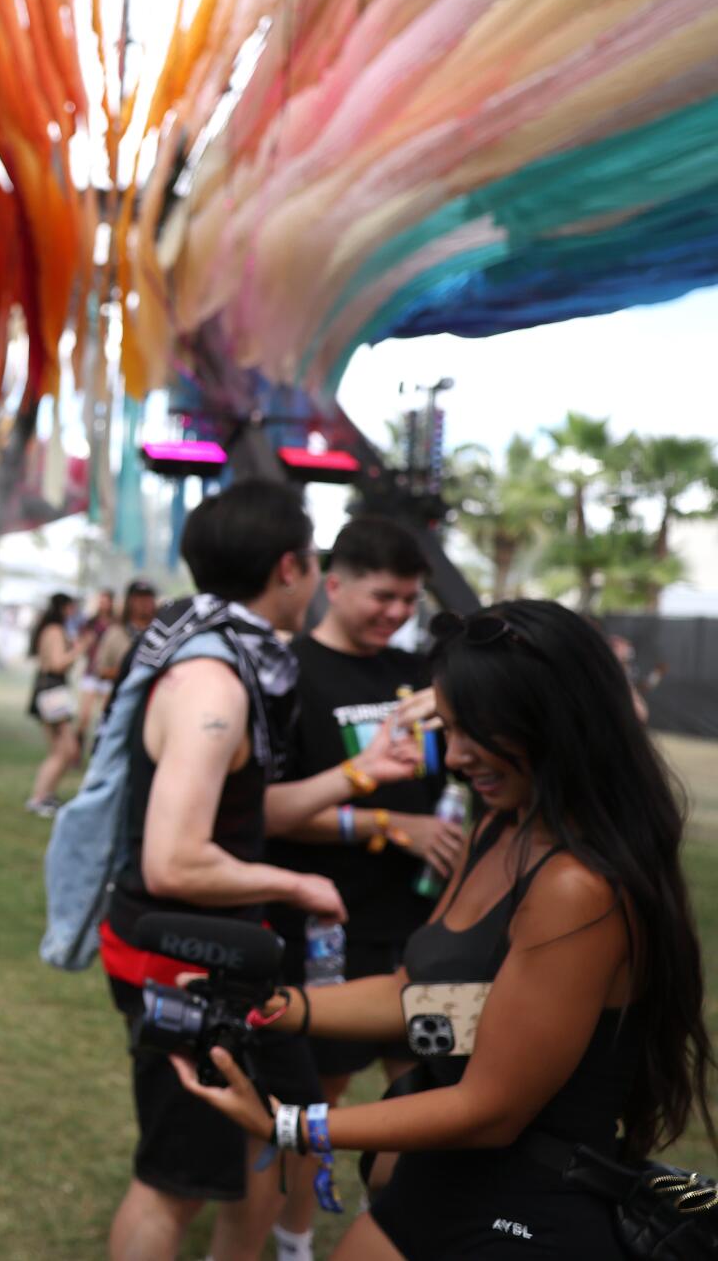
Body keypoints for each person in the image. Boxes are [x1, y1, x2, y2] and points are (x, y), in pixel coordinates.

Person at [179, 600, 715, 1260]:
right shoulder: (500, 826)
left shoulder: (580, 889)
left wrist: (290, 1124)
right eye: (450, 729)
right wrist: (278, 1008)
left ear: (552, 723)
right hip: (435, 1179)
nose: (456, 757)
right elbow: (437, 1002)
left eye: (475, 733)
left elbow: (491, 1110)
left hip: (526, 1211)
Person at [85, 480, 421, 1261]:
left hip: (225, 955)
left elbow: (244, 809)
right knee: (177, 1180)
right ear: (291, 568)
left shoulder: (233, 659)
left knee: (276, 1136)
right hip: (182, 962)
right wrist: (295, 884)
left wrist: (361, 771)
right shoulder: (216, 681)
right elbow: (175, 859)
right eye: (311, 560)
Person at [262, 517, 463, 1260]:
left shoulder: (412, 679)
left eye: (408, 600)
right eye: (382, 596)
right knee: (324, 1099)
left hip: (426, 927)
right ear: (335, 584)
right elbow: (278, 813)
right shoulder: (294, 675)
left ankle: (405, 1229)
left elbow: (449, 781)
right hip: (332, 930)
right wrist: (390, 826)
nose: (395, 613)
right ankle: (293, 1237)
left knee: (427, 1092)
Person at [24, 592, 82, 818]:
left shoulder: (49, 628)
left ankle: (46, 795)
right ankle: (39, 798)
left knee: (60, 750)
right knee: (65, 750)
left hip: (48, 689)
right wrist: (78, 650)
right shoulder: (56, 630)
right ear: (65, 608)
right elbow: (58, 664)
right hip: (53, 691)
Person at [89, 579, 158, 710]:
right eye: (139, 598)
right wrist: (130, 672)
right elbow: (100, 670)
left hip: (154, 703)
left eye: (148, 598)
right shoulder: (115, 633)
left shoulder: (163, 634)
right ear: (129, 602)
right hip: (122, 702)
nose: (144, 603)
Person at [73, 588, 117, 740]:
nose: (103, 604)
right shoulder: (90, 623)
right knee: (84, 716)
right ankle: (77, 748)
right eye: (101, 601)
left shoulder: (115, 624)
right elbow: (81, 643)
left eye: (106, 601)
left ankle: (99, 746)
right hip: (91, 671)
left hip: (108, 672)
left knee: (104, 715)